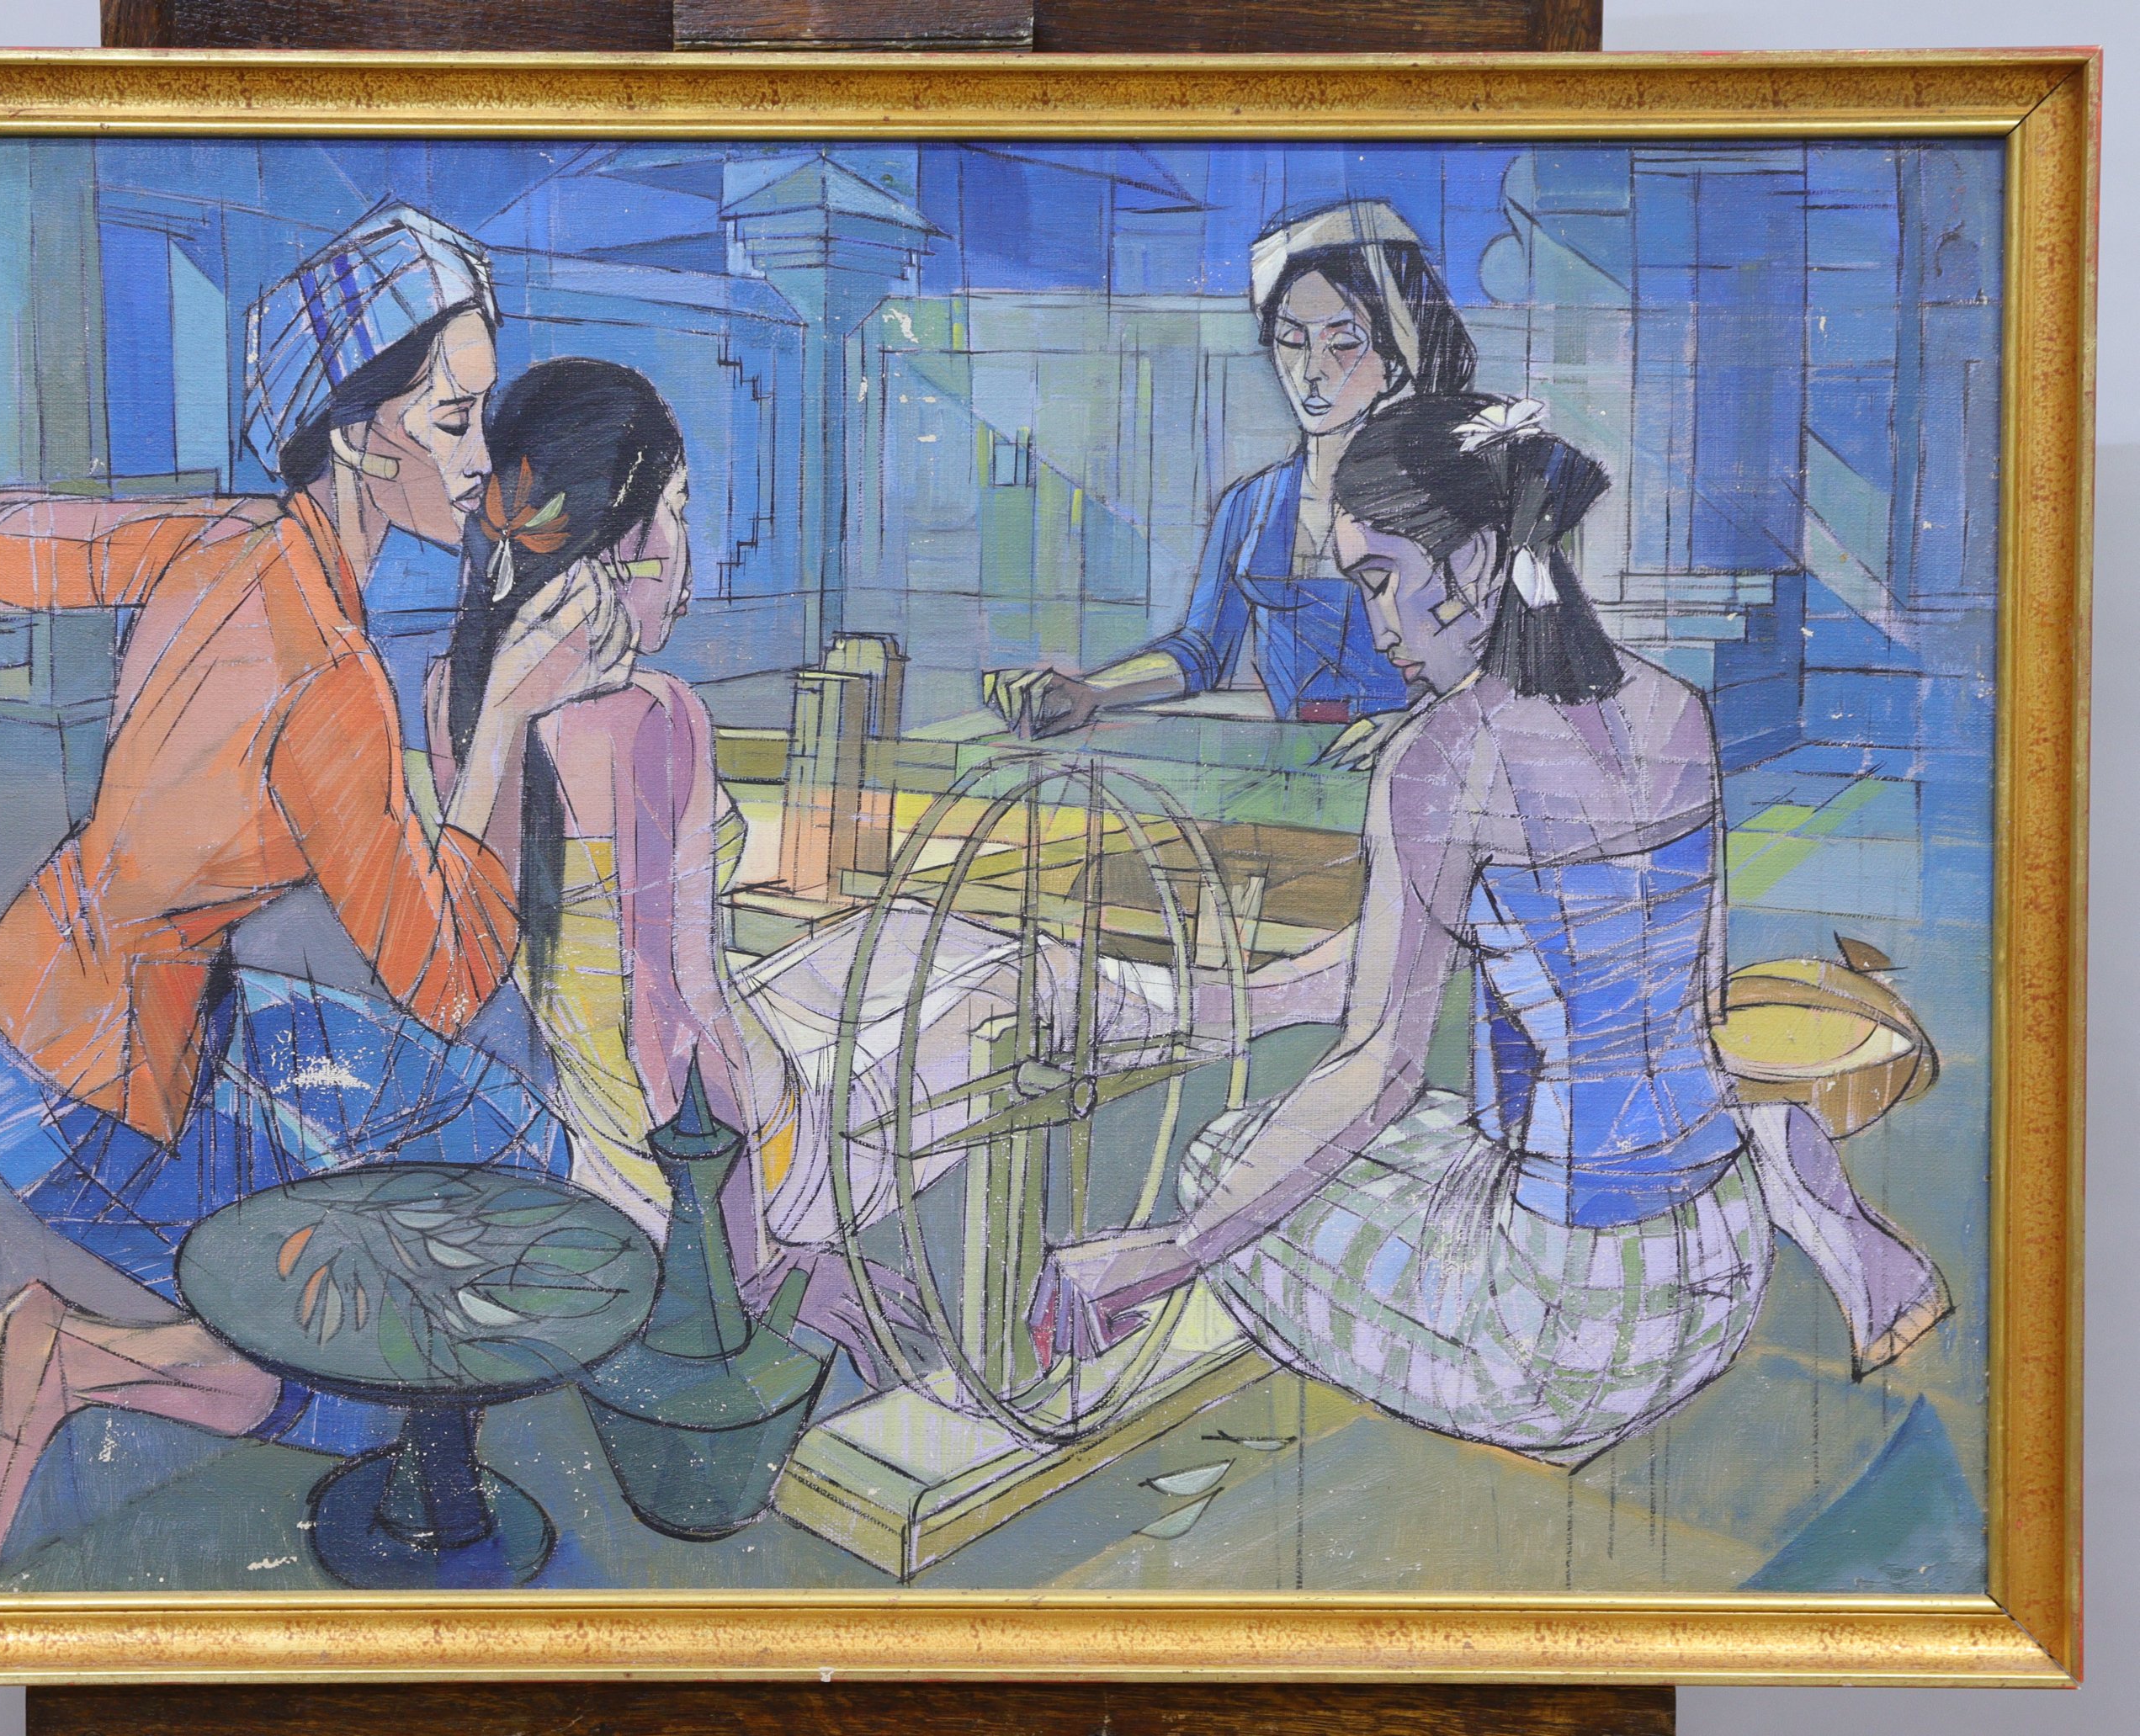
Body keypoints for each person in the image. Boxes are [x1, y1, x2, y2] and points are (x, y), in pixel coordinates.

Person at [0, 204, 633, 1590]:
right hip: (93, 1086)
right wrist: (503, 723)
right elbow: (444, 974)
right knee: (361, 1371)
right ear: (356, 431)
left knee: (512, 1140)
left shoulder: (236, 536)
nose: (482, 461)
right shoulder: (330, 678)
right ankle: (68, 1361)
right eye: (454, 419)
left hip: (78, 1002)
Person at [1030, 394, 1951, 1466]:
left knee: (1220, 1162)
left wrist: (1165, 1253)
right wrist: (1241, 999)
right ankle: (1770, 1152)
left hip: (1569, 1339)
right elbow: (1659, 989)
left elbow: (1376, 1068)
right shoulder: (1674, 710)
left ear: (1472, 556)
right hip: (1722, 1262)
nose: (1377, 625)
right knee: (1478, 1110)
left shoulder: (1442, 756)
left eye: (1381, 578)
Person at [434, 358, 1358, 1383]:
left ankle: (1262, 991)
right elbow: (672, 1018)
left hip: (610, 1153)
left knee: (914, 931)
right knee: (1027, 981)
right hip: (746, 1169)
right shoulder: (649, 720)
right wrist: (759, 1266)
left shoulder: (462, 695)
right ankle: (1281, 997)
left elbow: (564, 964)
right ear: (630, 539)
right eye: (681, 509)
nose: (687, 547)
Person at [985, 199, 1475, 746]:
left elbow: (1480, 654)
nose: (1311, 370)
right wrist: (1093, 691)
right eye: (1292, 339)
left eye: (1343, 343)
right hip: (1289, 755)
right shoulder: (1252, 503)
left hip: (1411, 757)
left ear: (1397, 360)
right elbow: (1200, 651)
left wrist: (1417, 725)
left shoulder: (1431, 499)